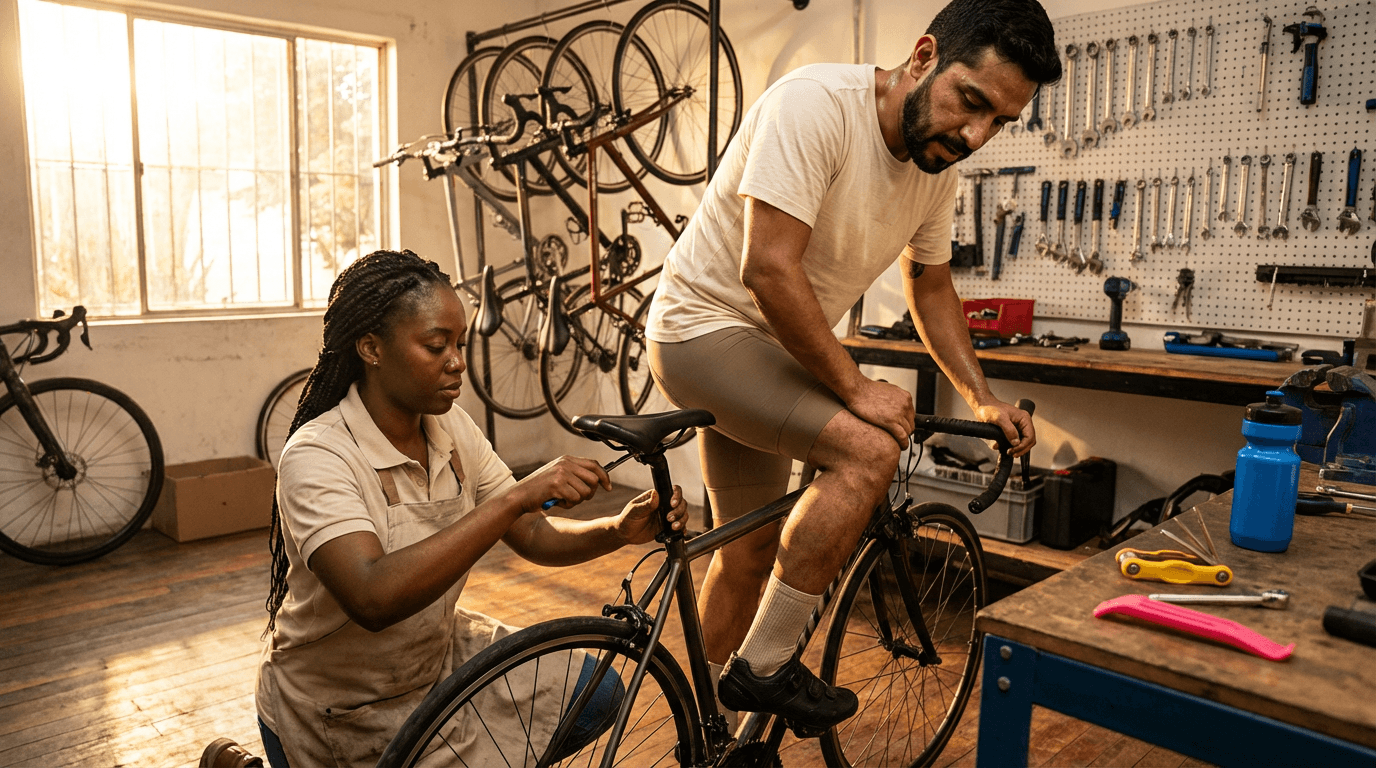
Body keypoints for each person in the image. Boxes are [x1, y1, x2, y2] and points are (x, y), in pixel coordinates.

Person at [644, 0, 1059, 733]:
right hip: (702, 331)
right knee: (870, 449)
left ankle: (703, 733)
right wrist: (856, 385)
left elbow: (929, 285)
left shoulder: (936, 170)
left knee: (746, 554)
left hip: (766, 352)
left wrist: (983, 398)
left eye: (999, 122)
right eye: (971, 103)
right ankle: (764, 666)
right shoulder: (816, 105)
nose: (975, 135)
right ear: (925, 56)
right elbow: (768, 268)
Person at [246, 249, 685, 768]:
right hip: (339, 702)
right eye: (436, 346)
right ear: (371, 349)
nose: (457, 362)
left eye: (460, 343)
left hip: (433, 662)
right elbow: (372, 596)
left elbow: (534, 536)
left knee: (598, 692)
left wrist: (617, 529)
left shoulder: (451, 429)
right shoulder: (318, 454)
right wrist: (518, 496)